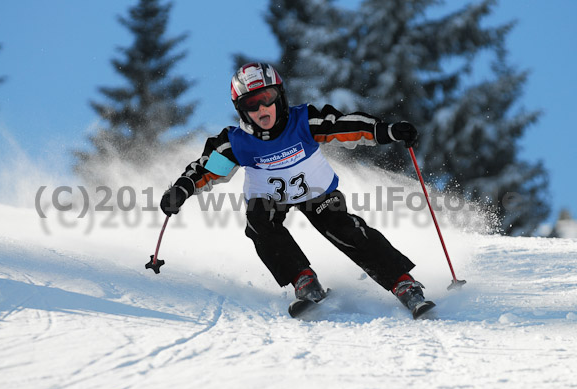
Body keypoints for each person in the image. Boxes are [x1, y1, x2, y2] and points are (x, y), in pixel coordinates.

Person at [160, 62, 434, 317]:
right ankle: (303, 279)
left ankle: (403, 283)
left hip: (317, 193)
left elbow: (344, 126)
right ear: (241, 109)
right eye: (251, 104)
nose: (261, 109)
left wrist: (386, 131)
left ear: (279, 96)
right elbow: (207, 169)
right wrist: (182, 189)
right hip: (268, 198)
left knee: (343, 228)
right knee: (258, 223)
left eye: (267, 98)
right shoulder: (236, 142)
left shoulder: (303, 121)